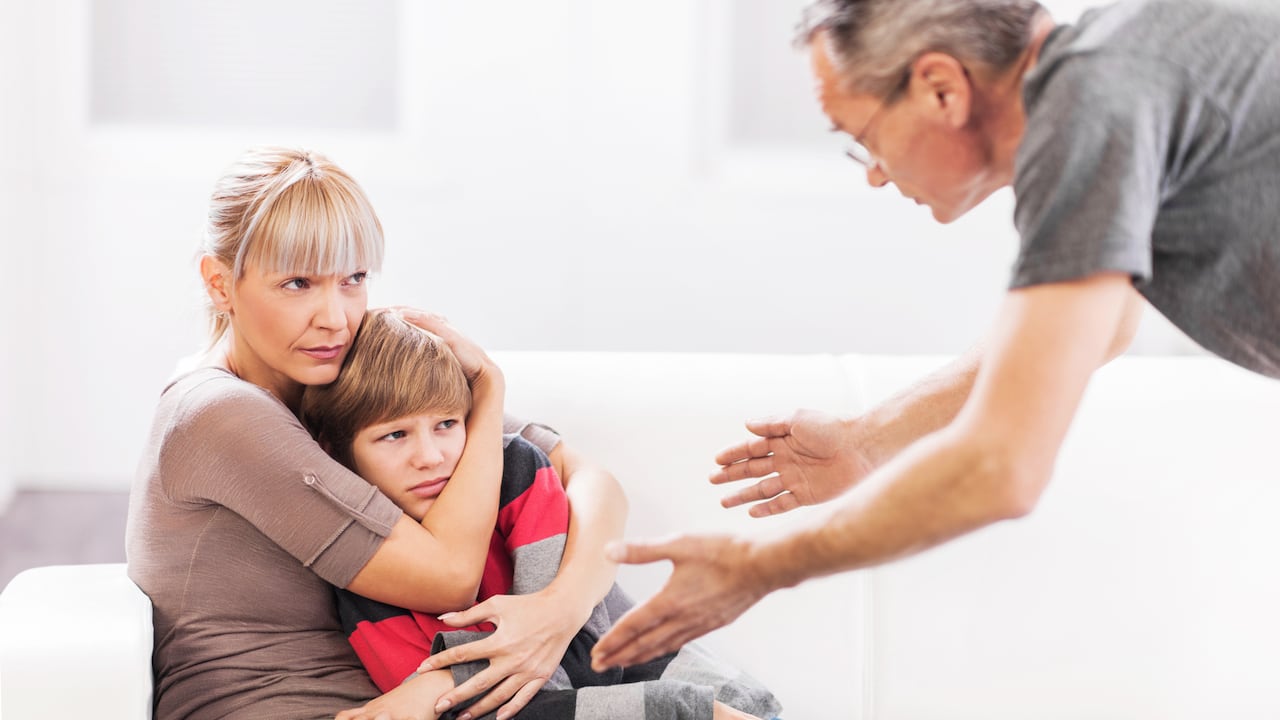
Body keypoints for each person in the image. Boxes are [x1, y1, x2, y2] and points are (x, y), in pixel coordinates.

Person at [590, 0, 1280, 672]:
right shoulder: (1113, 77)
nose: (874, 174)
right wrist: (866, 441)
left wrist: (757, 568)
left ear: (941, 88)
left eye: (863, 137)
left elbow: (1002, 467)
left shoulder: (1094, 102)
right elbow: (1102, 329)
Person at [126, 146, 628, 720]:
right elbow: (449, 579)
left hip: (423, 701)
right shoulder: (219, 413)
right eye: (297, 283)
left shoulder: (342, 371)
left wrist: (558, 610)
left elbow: (591, 480)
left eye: (353, 279)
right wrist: (487, 389)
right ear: (220, 283)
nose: (334, 318)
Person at [298, 309, 781, 720]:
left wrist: (445, 681)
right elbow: (463, 711)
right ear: (337, 453)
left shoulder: (515, 470)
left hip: (683, 684)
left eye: (446, 424)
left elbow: (574, 649)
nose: (430, 457)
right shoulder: (368, 567)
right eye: (394, 435)